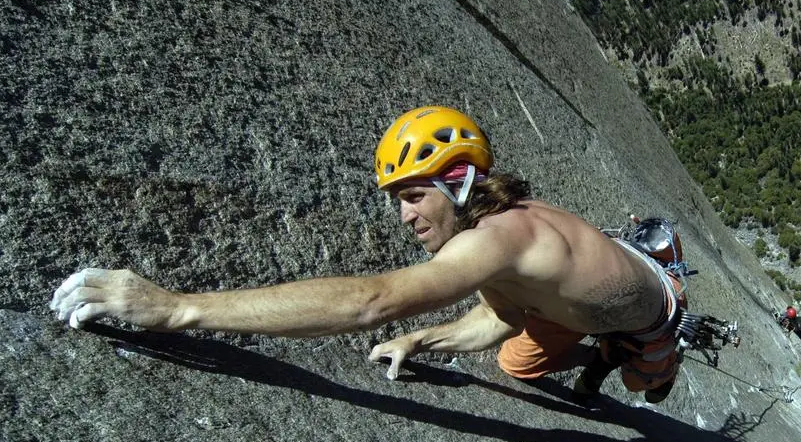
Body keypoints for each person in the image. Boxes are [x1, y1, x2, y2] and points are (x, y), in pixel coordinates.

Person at [49, 105, 686, 402]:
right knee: (517, 366)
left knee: (642, 385)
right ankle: (599, 343)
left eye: (413, 195)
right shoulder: (495, 242)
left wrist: (176, 309)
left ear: (459, 184)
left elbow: (370, 302)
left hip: (650, 312)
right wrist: (425, 341)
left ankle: (629, 351)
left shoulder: (499, 239)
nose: (406, 216)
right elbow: (503, 315)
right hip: (559, 306)